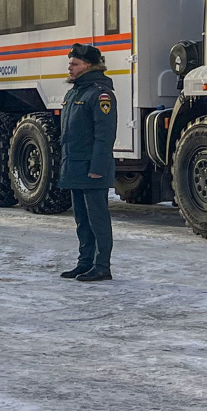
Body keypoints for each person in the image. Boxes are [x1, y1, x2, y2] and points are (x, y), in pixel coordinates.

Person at [59, 43, 118, 282]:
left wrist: (97, 169)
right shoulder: (74, 92)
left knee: (98, 220)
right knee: (82, 220)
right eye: (70, 63)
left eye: (74, 64)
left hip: (91, 169)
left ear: (89, 66)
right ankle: (84, 262)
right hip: (74, 165)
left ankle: (102, 265)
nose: (70, 68)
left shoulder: (100, 94)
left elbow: (104, 136)